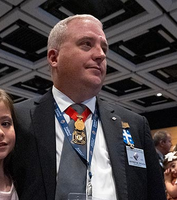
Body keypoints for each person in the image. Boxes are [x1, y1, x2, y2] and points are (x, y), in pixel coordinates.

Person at [11, 14, 166, 200]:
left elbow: (155, 193)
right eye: (86, 44)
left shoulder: (135, 124)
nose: (100, 54)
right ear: (54, 57)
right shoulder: (17, 119)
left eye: (104, 49)